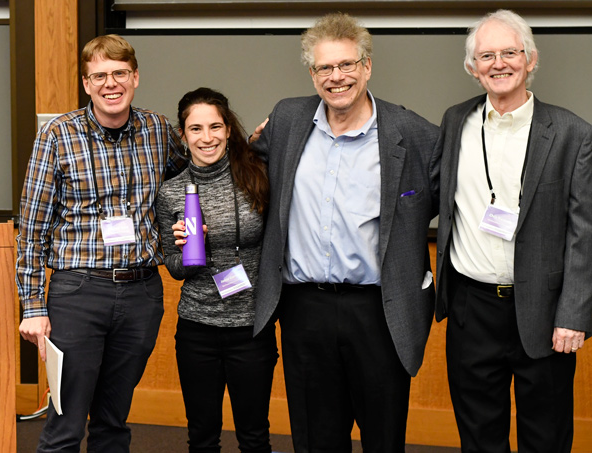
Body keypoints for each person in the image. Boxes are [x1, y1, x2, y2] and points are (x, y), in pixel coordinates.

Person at [249, 13, 440, 452]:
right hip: (304, 310)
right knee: (317, 440)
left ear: (367, 66)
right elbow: (239, 168)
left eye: (347, 65)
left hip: (380, 311)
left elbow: (452, 202)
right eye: (324, 68)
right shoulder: (288, 120)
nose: (337, 77)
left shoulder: (413, 133)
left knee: (383, 439)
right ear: (312, 73)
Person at [15, 34, 186, 453]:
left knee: (114, 420)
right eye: (100, 75)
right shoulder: (58, 135)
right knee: (66, 423)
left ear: (136, 77)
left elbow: (197, 173)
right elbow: (32, 228)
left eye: (120, 73)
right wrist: (33, 308)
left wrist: (254, 147)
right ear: (87, 83)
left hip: (143, 293)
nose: (112, 84)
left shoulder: (159, 130)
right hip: (78, 292)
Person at [434, 9, 591, 452]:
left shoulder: (571, 133)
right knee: (479, 437)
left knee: (546, 436)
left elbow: (586, 233)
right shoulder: (454, 122)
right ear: (472, 67)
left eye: (510, 52)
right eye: (487, 55)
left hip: (543, 312)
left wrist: (573, 315)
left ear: (531, 59)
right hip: (471, 309)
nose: (498, 63)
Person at [156, 87, 278, 453]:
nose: (206, 138)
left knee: (254, 433)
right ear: (183, 135)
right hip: (198, 329)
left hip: (251, 327)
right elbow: (175, 269)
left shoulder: (258, 176)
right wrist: (190, 249)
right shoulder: (171, 194)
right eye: (196, 129)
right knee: (203, 434)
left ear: (228, 129)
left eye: (215, 127)